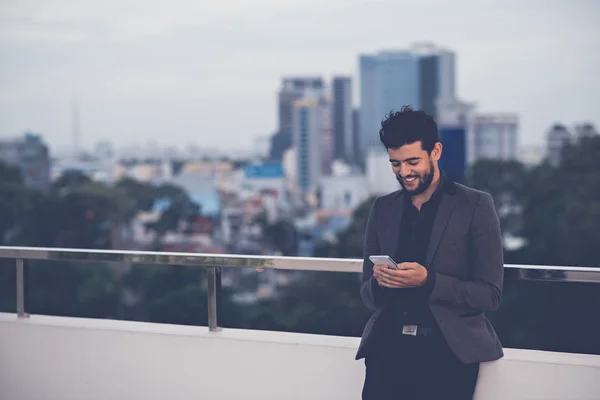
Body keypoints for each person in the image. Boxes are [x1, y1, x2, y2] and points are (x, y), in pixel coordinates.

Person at [356, 106, 504, 400]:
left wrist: (429, 282)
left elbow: (490, 294)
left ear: (435, 151)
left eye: (413, 161)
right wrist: (381, 281)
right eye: (395, 164)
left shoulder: (474, 205)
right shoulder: (383, 209)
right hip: (387, 352)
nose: (405, 172)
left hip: (447, 355)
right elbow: (367, 295)